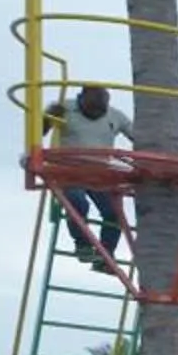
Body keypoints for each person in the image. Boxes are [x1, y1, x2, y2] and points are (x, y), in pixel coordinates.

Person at [40, 85, 135, 265]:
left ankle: (105, 256)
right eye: (92, 108)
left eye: (101, 109)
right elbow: (38, 131)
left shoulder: (115, 115)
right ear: (81, 98)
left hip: (99, 173)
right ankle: (83, 245)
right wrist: (48, 117)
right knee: (77, 203)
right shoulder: (65, 108)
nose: (96, 113)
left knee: (114, 213)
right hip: (69, 171)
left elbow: (137, 136)